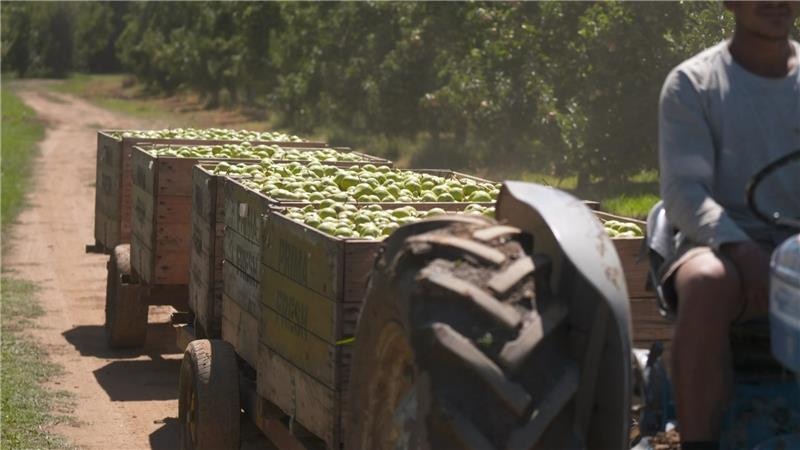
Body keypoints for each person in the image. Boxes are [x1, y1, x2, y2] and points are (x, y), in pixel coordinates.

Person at [658, 1, 800, 449]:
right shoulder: (693, 84)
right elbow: (685, 193)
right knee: (706, 282)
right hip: (721, 244)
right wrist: (744, 250)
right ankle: (698, 441)